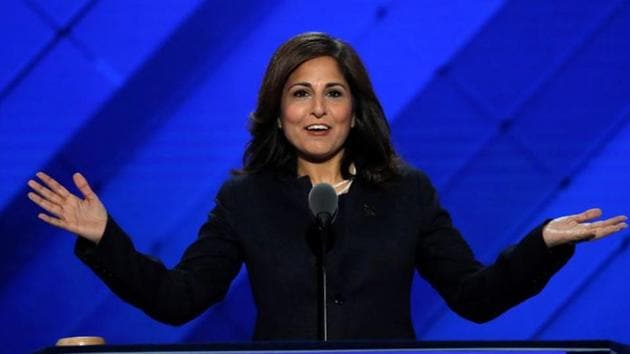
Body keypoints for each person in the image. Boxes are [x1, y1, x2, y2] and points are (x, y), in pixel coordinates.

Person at [27, 32, 627, 340]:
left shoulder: (406, 192)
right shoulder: (247, 199)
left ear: (353, 108)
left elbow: (475, 296)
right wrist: (105, 237)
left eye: (333, 92)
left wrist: (544, 242)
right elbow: (180, 298)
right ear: (279, 108)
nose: (317, 109)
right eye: (300, 92)